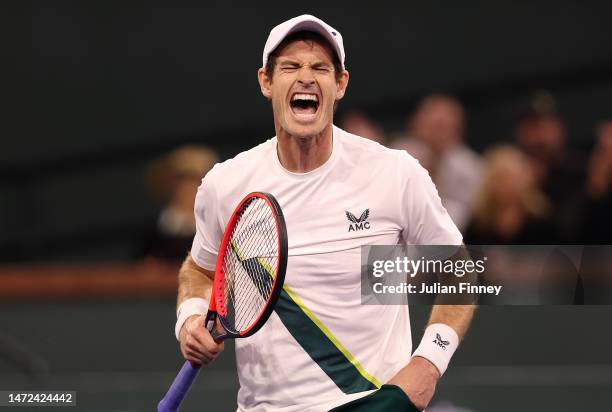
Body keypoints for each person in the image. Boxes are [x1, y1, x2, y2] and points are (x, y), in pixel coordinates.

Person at [174, 14, 475, 411]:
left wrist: (428, 363)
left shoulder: (395, 173)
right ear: (266, 82)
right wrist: (191, 318)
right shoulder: (225, 184)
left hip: (374, 402)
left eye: (320, 68)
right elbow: (200, 269)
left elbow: (459, 269)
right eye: (290, 67)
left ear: (340, 84)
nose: (306, 77)